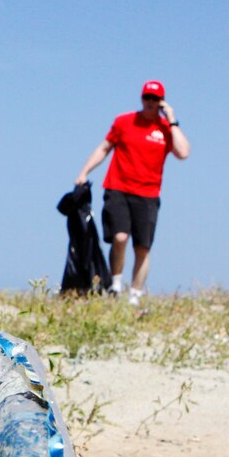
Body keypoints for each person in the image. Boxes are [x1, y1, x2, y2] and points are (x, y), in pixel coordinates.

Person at [74, 81, 190, 306]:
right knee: (120, 238)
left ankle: (135, 295)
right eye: (147, 97)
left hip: (148, 194)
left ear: (161, 102)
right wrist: (84, 172)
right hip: (118, 188)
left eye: (155, 99)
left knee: (142, 248)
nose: (150, 102)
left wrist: (172, 120)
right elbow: (104, 148)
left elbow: (183, 152)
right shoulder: (124, 121)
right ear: (141, 98)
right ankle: (115, 285)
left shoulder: (166, 129)